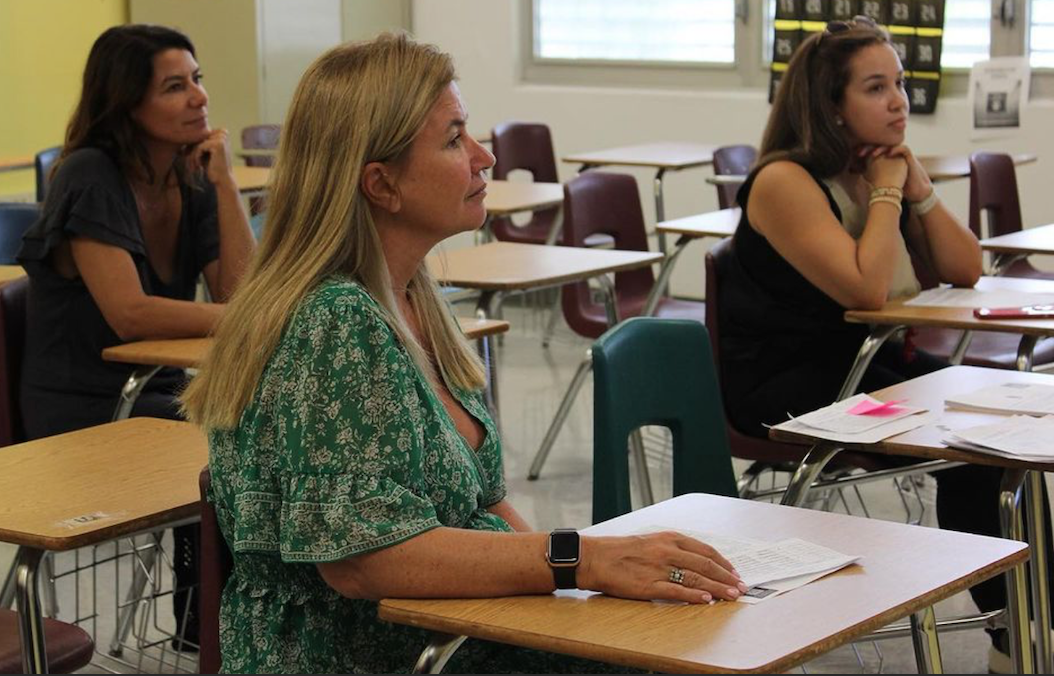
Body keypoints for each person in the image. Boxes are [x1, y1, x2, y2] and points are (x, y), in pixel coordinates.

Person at [181, 33, 747, 674]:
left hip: (452, 635)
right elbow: (364, 562)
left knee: (694, 630)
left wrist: (585, 584)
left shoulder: (415, 297)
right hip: (361, 656)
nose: (484, 156)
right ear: (381, 185)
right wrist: (582, 560)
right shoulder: (334, 322)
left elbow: (484, 507)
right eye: (454, 140)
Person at [717, 16, 1031, 671]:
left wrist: (914, 188)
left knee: (1000, 430)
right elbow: (866, 287)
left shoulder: (870, 169)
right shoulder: (784, 181)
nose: (898, 102)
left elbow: (967, 268)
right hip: (792, 387)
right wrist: (888, 189)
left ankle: (1035, 612)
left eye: (900, 85)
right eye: (875, 87)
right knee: (969, 454)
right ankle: (1014, 635)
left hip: (862, 367)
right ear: (831, 108)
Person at [17, 23, 255, 645]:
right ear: (127, 103)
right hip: (82, 406)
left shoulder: (188, 173)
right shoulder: (90, 175)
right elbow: (131, 314)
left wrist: (225, 183)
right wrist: (247, 318)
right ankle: (209, 629)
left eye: (198, 80)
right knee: (234, 439)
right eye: (175, 87)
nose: (199, 97)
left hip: (152, 390)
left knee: (261, 423)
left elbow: (239, 290)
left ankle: (219, 623)